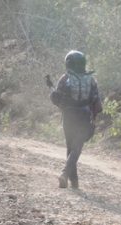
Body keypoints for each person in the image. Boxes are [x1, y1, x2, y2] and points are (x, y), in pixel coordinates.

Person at [48, 50, 102, 189]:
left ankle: (73, 182)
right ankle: (66, 175)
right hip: (84, 116)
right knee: (77, 148)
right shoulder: (91, 80)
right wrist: (93, 118)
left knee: (70, 147)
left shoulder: (65, 78)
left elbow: (56, 99)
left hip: (68, 116)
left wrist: (51, 89)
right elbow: (97, 104)